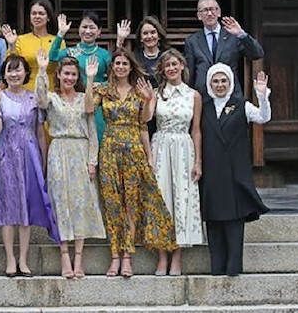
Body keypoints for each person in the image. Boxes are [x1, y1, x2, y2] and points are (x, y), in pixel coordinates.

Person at [85, 48, 177, 278]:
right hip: (110, 149)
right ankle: (114, 256)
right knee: (112, 204)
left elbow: (145, 121)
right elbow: (87, 108)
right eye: (117, 63)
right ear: (112, 66)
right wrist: (89, 79)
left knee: (130, 205)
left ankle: (128, 257)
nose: (121, 67)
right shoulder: (103, 90)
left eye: (125, 63)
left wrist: (149, 155)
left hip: (134, 148)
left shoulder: (139, 91)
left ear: (130, 66)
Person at [0, 55, 60, 278]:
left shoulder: (33, 98)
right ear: (4, 74)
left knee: (26, 207)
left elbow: (40, 131)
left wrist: (44, 160)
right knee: (8, 208)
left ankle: (24, 260)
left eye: (18, 70)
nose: (14, 74)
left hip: (30, 154)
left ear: (25, 73)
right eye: (10, 70)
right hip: (6, 154)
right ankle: (10, 259)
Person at [35, 51, 106, 279]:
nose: (70, 78)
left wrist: (92, 160)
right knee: (61, 203)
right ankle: (64, 254)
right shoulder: (52, 98)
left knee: (80, 204)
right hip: (59, 151)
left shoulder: (84, 97)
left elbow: (89, 118)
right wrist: (43, 70)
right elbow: (39, 99)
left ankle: (79, 258)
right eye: (66, 73)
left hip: (80, 150)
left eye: (74, 74)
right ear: (60, 75)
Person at [200, 62, 271, 276]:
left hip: (233, 170)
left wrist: (263, 97)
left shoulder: (242, 105)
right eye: (216, 81)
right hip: (211, 170)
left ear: (230, 82)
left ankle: (233, 269)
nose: (220, 85)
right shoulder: (202, 106)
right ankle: (217, 269)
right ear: (209, 83)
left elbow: (263, 117)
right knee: (213, 219)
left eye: (224, 80)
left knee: (233, 219)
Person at [150, 49, 204, 276]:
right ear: (162, 70)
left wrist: (198, 161)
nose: (171, 68)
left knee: (182, 198)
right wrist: (146, 100)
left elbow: (197, 130)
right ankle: (162, 256)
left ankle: (177, 257)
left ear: (182, 65)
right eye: (167, 65)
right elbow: (146, 121)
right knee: (161, 198)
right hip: (161, 145)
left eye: (175, 64)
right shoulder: (155, 93)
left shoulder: (194, 95)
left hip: (184, 147)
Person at [49, 10, 111, 141]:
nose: (87, 31)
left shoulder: (104, 54)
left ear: (99, 31)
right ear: (78, 30)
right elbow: (53, 57)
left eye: (92, 27)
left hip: (96, 106)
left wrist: (102, 85)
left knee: (97, 141)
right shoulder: (71, 52)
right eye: (84, 27)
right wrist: (60, 34)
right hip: (74, 105)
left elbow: (115, 79)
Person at [185, 0, 264, 96]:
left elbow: (257, 54)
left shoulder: (233, 36)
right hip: (203, 96)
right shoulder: (192, 41)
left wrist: (241, 34)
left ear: (219, 12)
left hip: (231, 95)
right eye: (204, 10)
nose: (209, 14)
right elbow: (189, 73)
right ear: (199, 15)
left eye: (212, 9)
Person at [115, 16, 171, 136]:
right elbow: (118, 67)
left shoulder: (167, 57)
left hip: (164, 108)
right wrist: (120, 41)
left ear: (159, 35)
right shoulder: (135, 57)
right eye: (145, 33)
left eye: (153, 32)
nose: (149, 36)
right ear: (140, 38)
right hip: (140, 109)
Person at [1, 0, 65, 91]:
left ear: (48, 17)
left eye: (41, 13)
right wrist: (12, 45)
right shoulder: (20, 39)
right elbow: (11, 66)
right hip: (26, 91)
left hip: (51, 90)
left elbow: (62, 68)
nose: (37, 16)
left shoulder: (58, 41)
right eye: (34, 13)